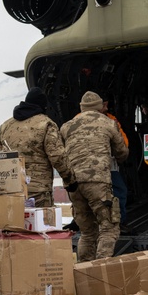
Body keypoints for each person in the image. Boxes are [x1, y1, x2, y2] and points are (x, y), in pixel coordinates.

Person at [60, 91, 129, 261]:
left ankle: (85, 271)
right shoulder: (109, 123)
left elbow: (60, 153)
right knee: (109, 227)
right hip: (97, 182)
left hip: (73, 184)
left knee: (87, 232)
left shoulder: (66, 126)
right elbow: (122, 152)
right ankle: (100, 269)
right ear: (100, 106)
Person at [0, 87, 73, 207]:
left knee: (14, 225)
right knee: (39, 224)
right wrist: (70, 180)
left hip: (11, 189)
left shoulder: (6, 125)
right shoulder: (46, 124)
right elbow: (57, 156)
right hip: (38, 191)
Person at [101, 94, 131, 230]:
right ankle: (118, 223)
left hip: (84, 167)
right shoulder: (110, 122)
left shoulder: (74, 121)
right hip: (105, 165)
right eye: (104, 105)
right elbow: (122, 145)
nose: (107, 108)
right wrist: (121, 156)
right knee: (119, 191)